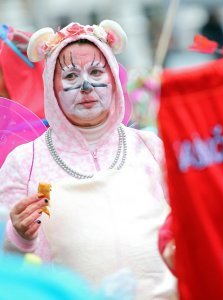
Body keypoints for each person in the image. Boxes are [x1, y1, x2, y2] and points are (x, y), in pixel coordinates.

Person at [0, 20, 177, 299]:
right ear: (51, 86)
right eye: (70, 76)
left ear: (114, 81)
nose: (85, 85)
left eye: (96, 71)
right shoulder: (24, 163)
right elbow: (8, 268)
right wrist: (18, 235)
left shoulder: (151, 147)